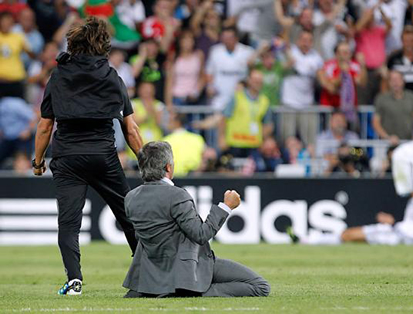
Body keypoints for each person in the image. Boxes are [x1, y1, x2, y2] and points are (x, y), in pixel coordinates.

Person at [33, 17, 143, 295]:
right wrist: (145, 161)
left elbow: (45, 125)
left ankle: (74, 281)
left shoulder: (58, 75)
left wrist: (37, 161)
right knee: (128, 216)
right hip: (103, 156)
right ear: (103, 46)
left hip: (67, 158)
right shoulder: (112, 76)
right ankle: (146, 274)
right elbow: (130, 129)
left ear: (73, 44)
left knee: (68, 224)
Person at [123, 141, 270, 298]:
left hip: (151, 272)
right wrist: (226, 207)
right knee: (260, 286)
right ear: (168, 167)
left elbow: (141, 238)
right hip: (188, 267)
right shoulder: (177, 195)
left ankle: (166, 289)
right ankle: (190, 292)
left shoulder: (131, 197)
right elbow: (201, 234)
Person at [289, 209, 413, 246]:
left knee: (347, 236)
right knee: (346, 237)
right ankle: (308, 239)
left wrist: (393, 223)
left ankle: (307, 240)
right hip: (394, 234)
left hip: (393, 235)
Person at [219, 69, 274, 158]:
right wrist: (222, 138)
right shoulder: (237, 97)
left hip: (254, 144)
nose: (257, 83)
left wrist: (264, 139)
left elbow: (267, 124)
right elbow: (224, 118)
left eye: (259, 81)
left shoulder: (264, 101)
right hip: (234, 143)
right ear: (249, 81)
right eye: (255, 80)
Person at [317, 41, 367, 124]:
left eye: (348, 52)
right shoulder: (329, 66)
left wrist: (363, 66)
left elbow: (362, 82)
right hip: (331, 109)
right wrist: (342, 75)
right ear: (337, 54)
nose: (346, 54)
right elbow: (331, 88)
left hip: (349, 109)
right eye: (343, 52)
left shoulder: (354, 65)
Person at [206, 26, 254, 110]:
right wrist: (210, 86)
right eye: (224, 37)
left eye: (229, 38)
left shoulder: (247, 51)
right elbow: (209, 72)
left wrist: (245, 84)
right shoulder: (215, 51)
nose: (227, 40)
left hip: (240, 96)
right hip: (219, 97)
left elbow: (253, 72)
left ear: (236, 38)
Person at [372, 71, 413, 143]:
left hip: (408, 142)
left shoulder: (411, 96)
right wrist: (387, 137)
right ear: (388, 82)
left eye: (398, 79)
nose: (395, 82)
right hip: (386, 143)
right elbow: (376, 122)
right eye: (392, 80)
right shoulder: (381, 98)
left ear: (403, 81)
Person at [0, 11, 34, 98]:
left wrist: (26, 44)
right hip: (1, 81)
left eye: (9, 22)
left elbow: (32, 54)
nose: (6, 24)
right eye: (4, 21)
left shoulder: (19, 37)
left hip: (17, 80)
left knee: (18, 108)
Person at [0, 97, 37, 169]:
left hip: (22, 139)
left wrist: (27, 131)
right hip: (7, 138)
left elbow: (33, 118)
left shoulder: (16, 104)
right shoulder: (2, 104)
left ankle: (23, 178)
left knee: (21, 160)